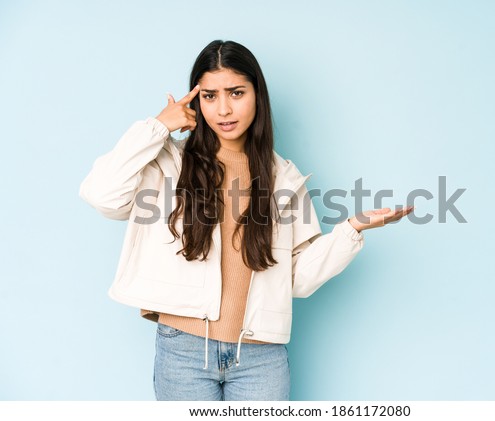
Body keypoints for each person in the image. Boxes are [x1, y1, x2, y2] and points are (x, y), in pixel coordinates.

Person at [79, 39, 414, 401]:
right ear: (196, 100)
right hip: (184, 351)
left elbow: (296, 279)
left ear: (258, 94)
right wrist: (158, 126)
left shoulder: (283, 176)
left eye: (236, 93)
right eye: (209, 96)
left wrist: (351, 230)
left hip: (261, 357)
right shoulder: (168, 164)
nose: (223, 109)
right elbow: (102, 194)